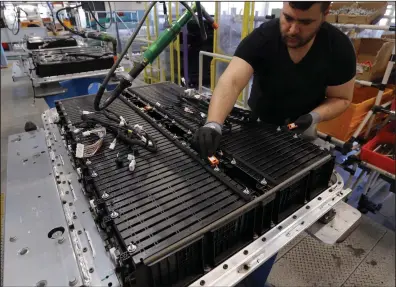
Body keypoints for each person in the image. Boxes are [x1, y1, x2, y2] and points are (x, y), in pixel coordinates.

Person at [194, 1, 356, 159]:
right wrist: (213, 124)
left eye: (305, 22)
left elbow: (341, 98)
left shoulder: (338, 48)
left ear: (325, 14)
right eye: (288, 18)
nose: (293, 30)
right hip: (257, 125)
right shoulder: (263, 37)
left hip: (302, 133)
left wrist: (314, 116)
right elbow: (232, 81)